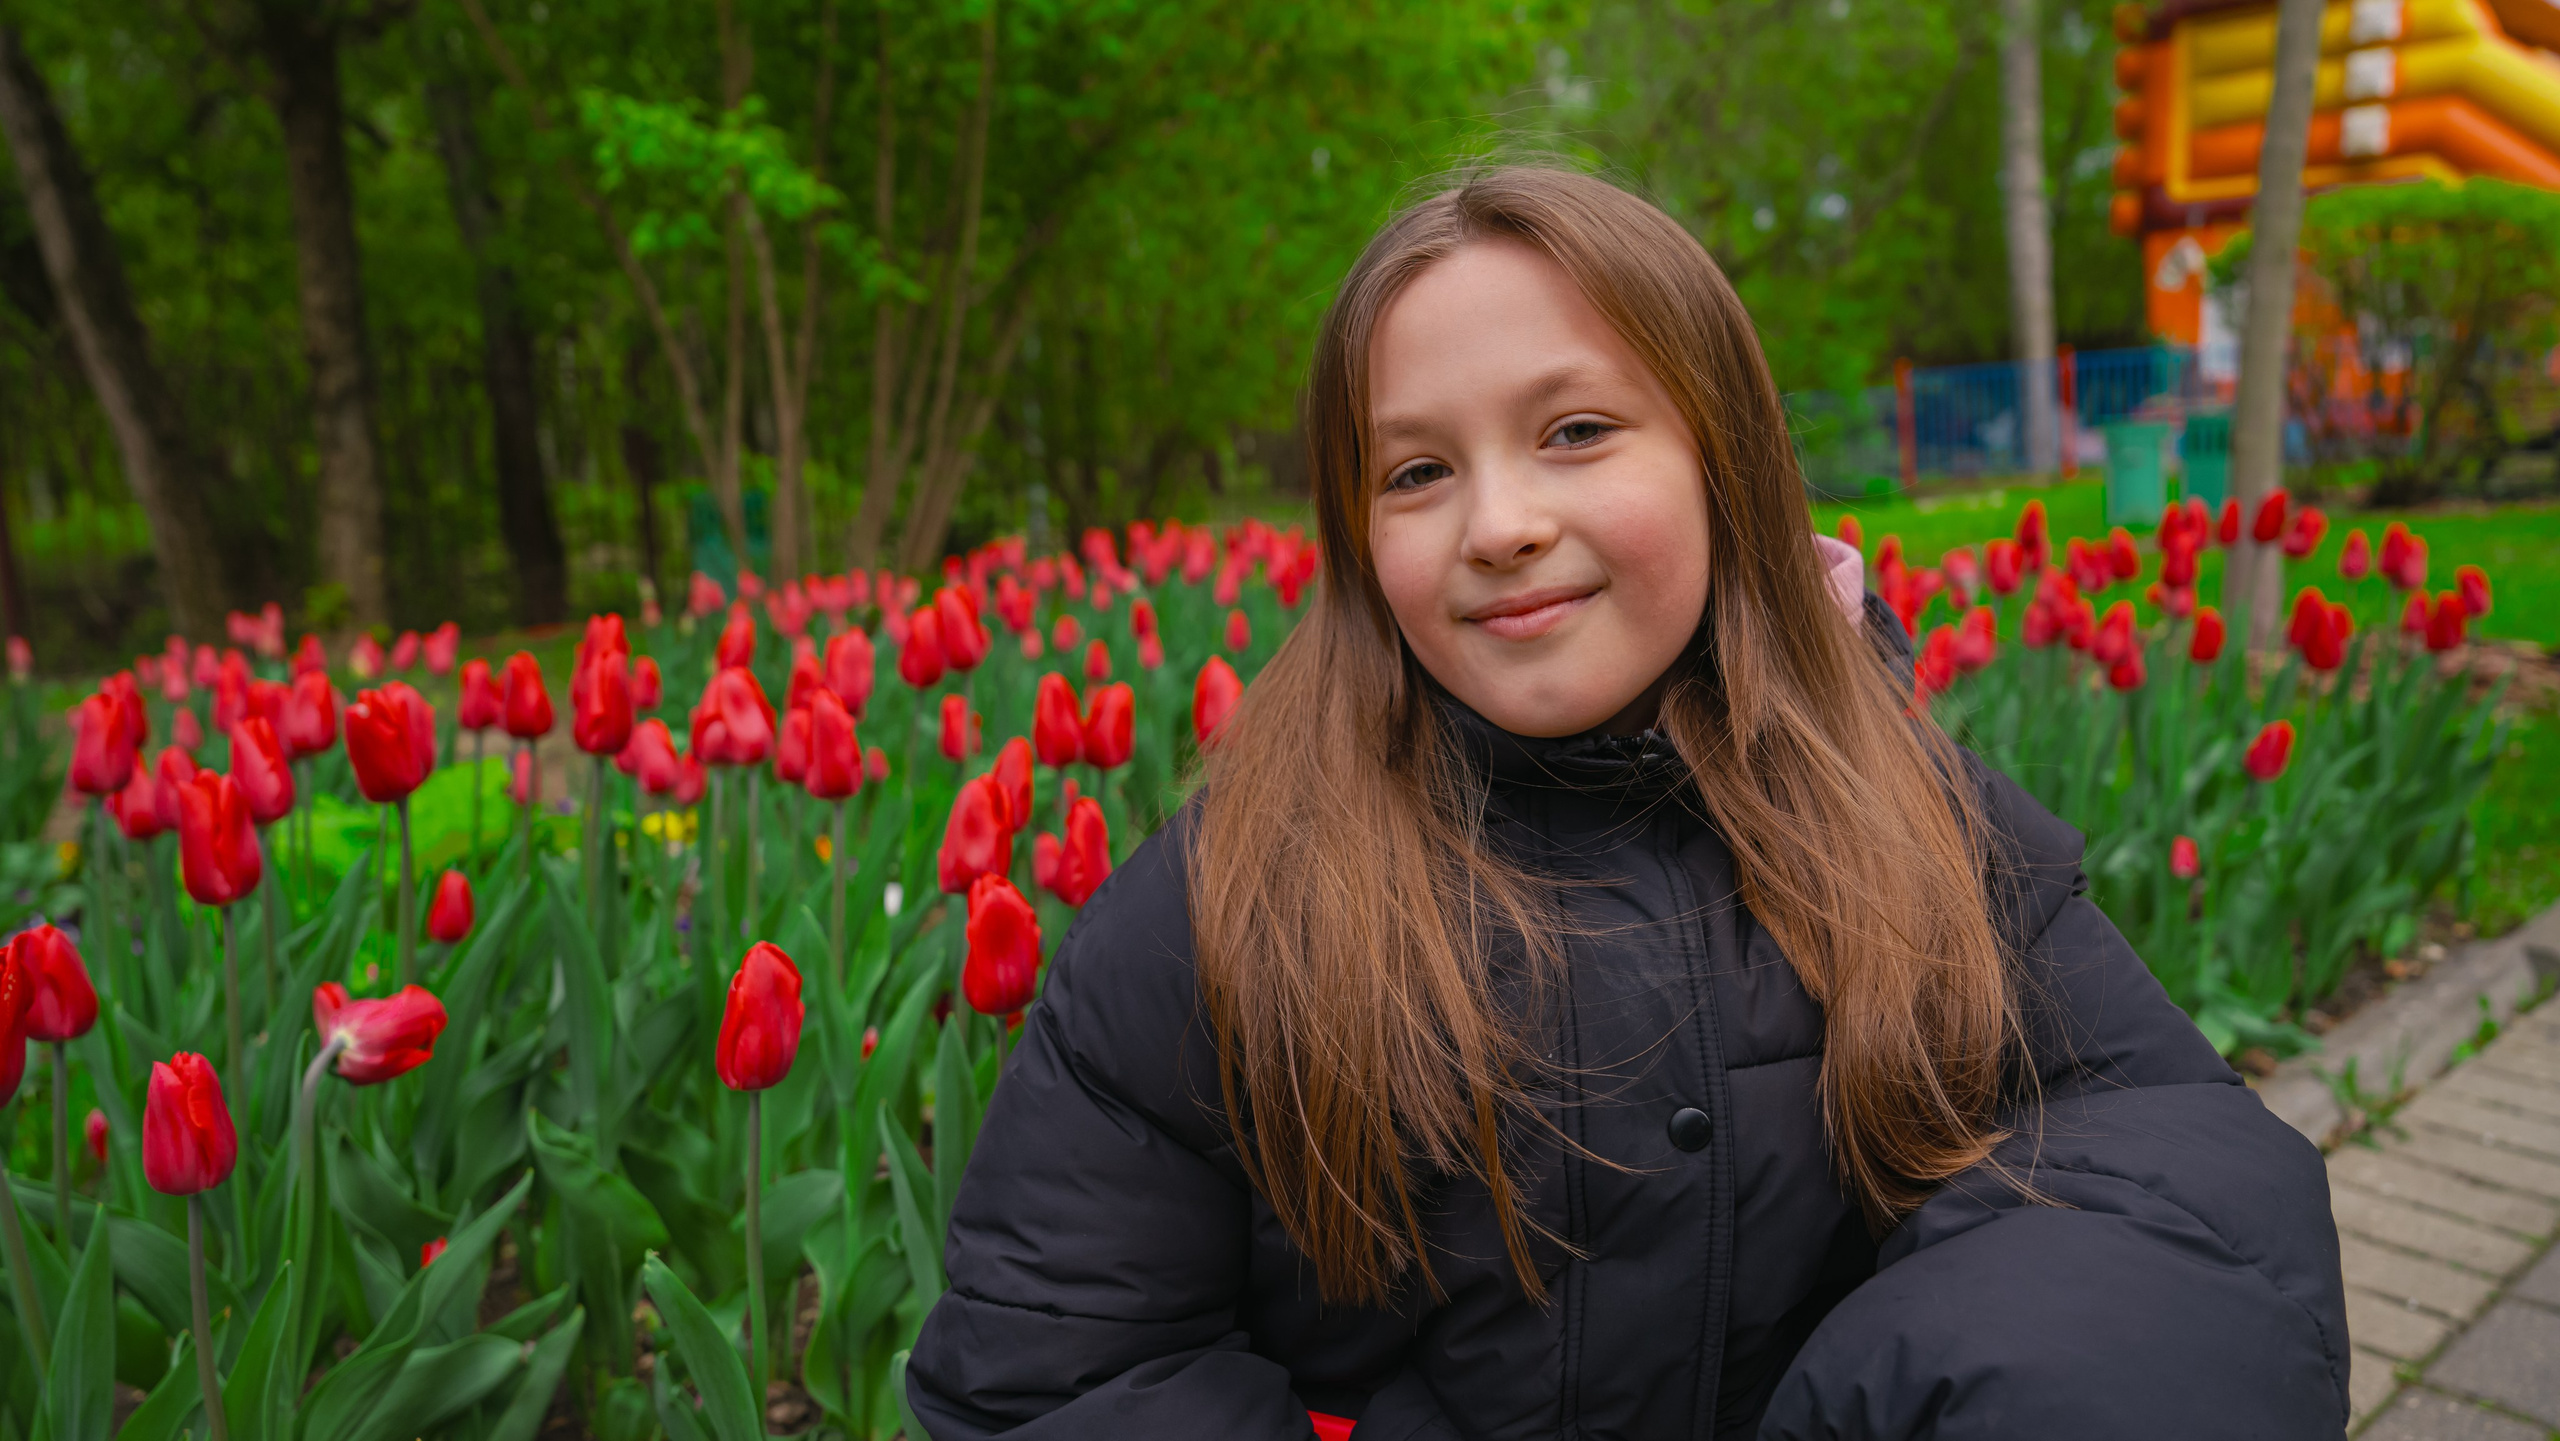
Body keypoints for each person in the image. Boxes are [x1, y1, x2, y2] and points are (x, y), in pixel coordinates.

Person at [906, 167, 2347, 1440]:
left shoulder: (1903, 815)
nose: (1499, 521)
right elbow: (1060, 1375)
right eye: (1417, 471)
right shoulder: (1228, 902)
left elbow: (2165, 1170)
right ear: (1357, 542)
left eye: (1578, 430)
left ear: (1726, 461)